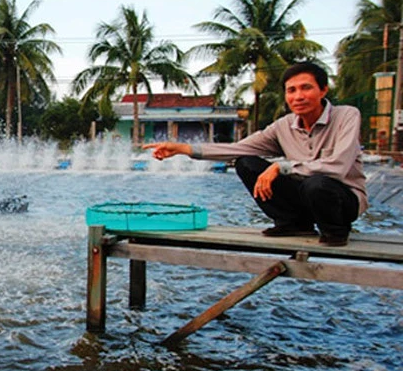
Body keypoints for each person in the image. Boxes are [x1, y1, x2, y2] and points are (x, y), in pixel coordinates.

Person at [142, 61, 367, 247]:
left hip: (341, 201)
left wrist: (281, 166)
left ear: (323, 90)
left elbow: (337, 166)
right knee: (246, 163)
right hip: (305, 196)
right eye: (291, 90)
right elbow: (237, 149)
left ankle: (335, 232)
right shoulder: (283, 126)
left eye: (306, 88)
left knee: (317, 183)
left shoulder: (346, 116)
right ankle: (293, 223)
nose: (298, 96)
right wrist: (182, 148)